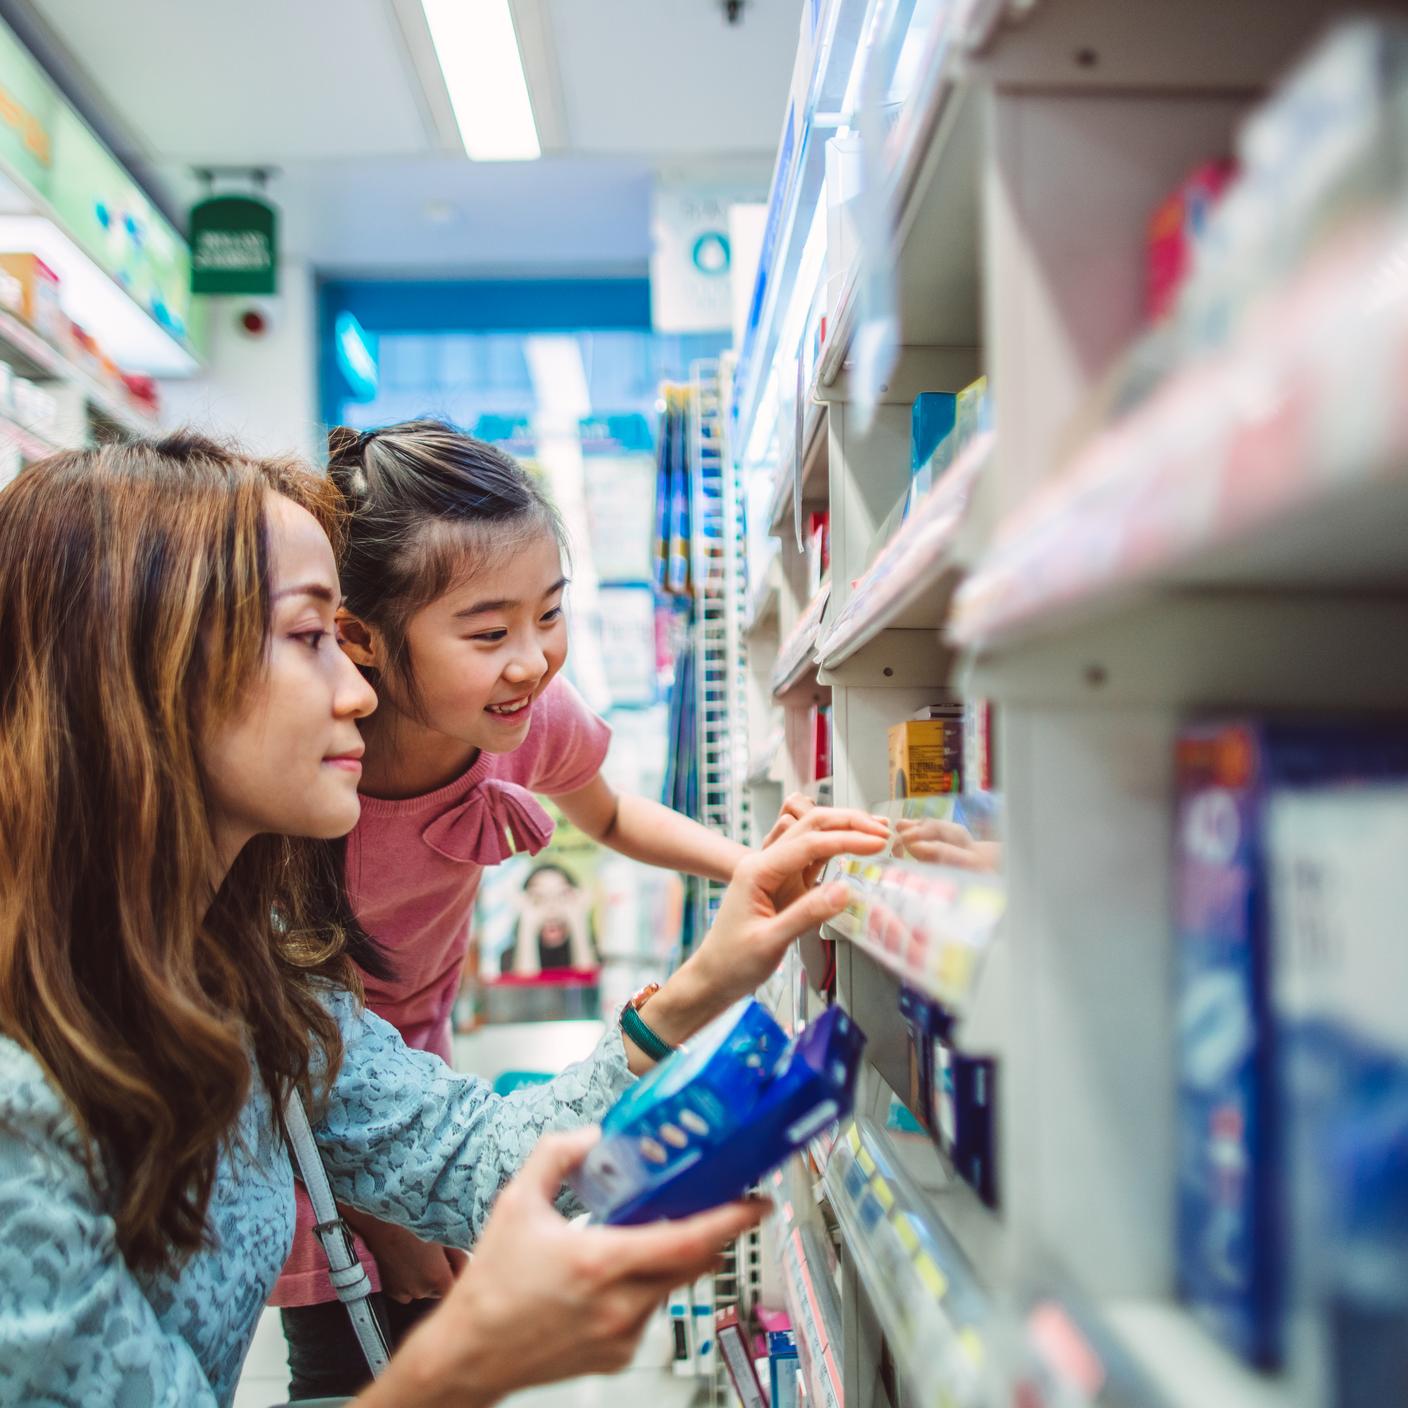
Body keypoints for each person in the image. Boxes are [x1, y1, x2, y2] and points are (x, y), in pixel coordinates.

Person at [0, 435, 885, 1407]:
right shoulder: (22, 1104)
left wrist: (696, 996)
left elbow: (475, 1162)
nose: (354, 688)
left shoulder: (236, 980)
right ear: (140, 679)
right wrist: (454, 1367)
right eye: (309, 638)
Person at [268, 419, 886, 1398]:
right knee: (357, 1343)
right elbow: (317, 1065)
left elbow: (610, 812)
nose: (532, 659)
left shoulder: (514, 715)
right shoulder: (306, 783)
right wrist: (387, 1213)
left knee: (444, 1315)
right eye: (487, 632)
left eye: (548, 614)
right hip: (306, 1101)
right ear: (361, 642)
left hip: (419, 1075)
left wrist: (755, 865)